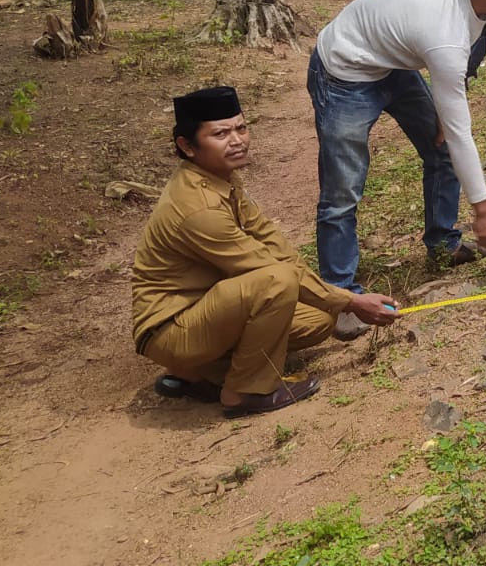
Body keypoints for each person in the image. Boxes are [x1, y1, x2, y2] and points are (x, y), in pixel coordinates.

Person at [133, 87, 399, 418]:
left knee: (318, 318)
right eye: (220, 133)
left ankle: (200, 374)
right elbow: (269, 266)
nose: (237, 140)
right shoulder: (197, 208)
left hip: (210, 308)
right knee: (277, 281)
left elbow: (272, 242)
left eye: (241, 128)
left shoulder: (221, 179)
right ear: (187, 146)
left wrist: (337, 299)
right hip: (170, 328)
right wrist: (354, 302)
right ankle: (242, 393)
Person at [310, 0, 486, 331]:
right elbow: (462, 130)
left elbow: (472, 49)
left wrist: (448, 105)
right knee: (343, 188)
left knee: (440, 147)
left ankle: (442, 244)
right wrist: (485, 212)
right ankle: (340, 297)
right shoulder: (442, 32)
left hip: (394, 62)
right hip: (345, 69)